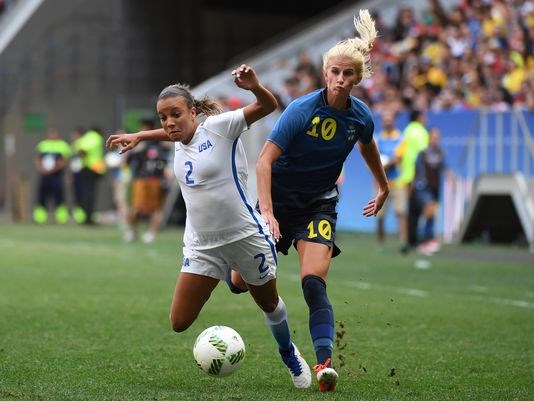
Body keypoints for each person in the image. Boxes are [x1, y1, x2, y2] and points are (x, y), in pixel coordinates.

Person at [106, 64, 312, 389]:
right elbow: (172, 133)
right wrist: (140, 135)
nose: (169, 123)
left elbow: (268, 106)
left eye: (175, 114)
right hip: (201, 243)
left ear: (192, 112)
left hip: (246, 235)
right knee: (179, 322)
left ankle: (288, 353)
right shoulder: (176, 137)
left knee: (268, 304)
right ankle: (230, 274)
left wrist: (255, 86)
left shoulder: (220, 126)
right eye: (163, 118)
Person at [227, 10, 389, 392]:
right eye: (334, 72)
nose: (340, 79)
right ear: (325, 72)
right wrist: (267, 212)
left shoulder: (361, 117)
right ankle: (228, 261)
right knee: (238, 283)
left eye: (348, 74)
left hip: (318, 204)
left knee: (313, 282)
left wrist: (382, 186)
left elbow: (369, 148)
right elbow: (264, 161)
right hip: (278, 202)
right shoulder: (301, 110)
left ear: (357, 78)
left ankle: (323, 364)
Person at [123, 118, 171, 243]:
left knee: (155, 209)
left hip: (155, 179)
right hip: (141, 179)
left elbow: (164, 161)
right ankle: (133, 230)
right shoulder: (139, 144)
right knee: (136, 209)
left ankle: (151, 233)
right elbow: (127, 161)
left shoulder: (160, 143)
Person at [410, 126, 452, 255]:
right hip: (423, 188)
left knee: (432, 213)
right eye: (434, 137)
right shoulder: (422, 153)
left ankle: (427, 241)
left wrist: (452, 179)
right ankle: (426, 240)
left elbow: (445, 168)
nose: (436, 140)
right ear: (429, 138)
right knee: (429, 210)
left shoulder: (440, 153)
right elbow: (416, 171)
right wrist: (413, 186)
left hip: (435, 188)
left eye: (437, 138)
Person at [374, 111, 407, 251]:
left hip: (397, 181)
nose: (388, 122)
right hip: (380, 183)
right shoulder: (377, 138)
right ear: (382, 122)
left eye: (390, 120)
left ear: (394, 122)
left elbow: (397, 158)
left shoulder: (400, 138)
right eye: (385, 120)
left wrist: (382, 165)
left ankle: (403, 243)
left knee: (401, 212)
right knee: (379, 214)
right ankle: (381, 244)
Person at [399, 109, 429, 252]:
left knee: (411, 209)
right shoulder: (421, 131)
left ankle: (411, 239)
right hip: (418, 175)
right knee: (420, 208)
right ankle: (418, 240)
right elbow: (424, 152)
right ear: (419, 117)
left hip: (406, 173)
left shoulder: (407, 130)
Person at [32, 128, 71, 224]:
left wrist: (54, 169)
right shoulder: (43, 145)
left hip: (57, 175)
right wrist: (42, 169)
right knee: (42, 194)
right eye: (51, 133)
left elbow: (64, 161)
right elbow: (37, 159)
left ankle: (61, 217)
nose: (52, 135)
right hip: (44, 175)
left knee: (58, 194)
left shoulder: (62, 145)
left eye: (54, 133)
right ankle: (40, 217)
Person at [72, 127, 107, 225]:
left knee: (87, 192)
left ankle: (87, 216)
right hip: (92, 168)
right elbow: (83, 150)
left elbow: (79, 149)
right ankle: (88, 216)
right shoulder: (94, 137)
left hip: (87, 168)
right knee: (89, 193)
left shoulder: (85, 138)